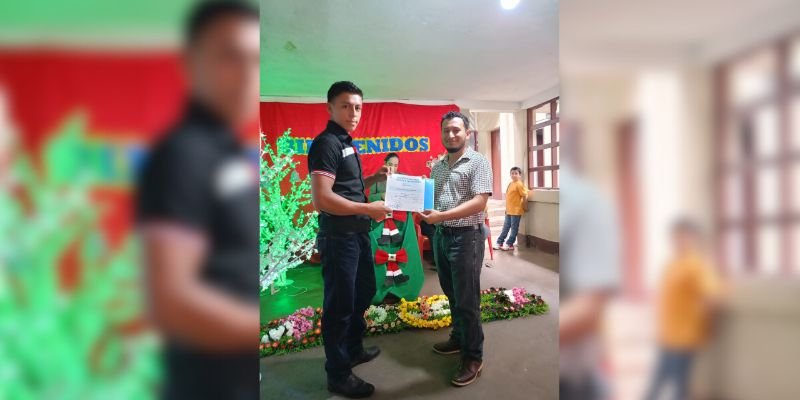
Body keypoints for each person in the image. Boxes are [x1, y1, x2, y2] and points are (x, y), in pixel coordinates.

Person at [136, 2, 260, 399]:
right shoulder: (184, 153)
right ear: (192, 63)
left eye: (254, 60)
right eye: (229, 56)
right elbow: (170, 300)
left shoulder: (225, 150)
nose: (245, 75)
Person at [308, 81, 392, 398]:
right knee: (340, 305)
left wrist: (374, 179)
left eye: (357, 107)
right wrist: (368, 209)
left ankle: (353, 349)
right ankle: (338, 374)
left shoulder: (347, 142)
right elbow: (322, 199)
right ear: (330, 108)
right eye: (345, 106)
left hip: (356, 234)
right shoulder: (326, 143)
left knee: (364, 291)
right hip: (338, 237)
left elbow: (346, 187)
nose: (353, 113)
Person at [419, 111, 492, 387]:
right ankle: (459, 338)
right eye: (446, 130)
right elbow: (433, 200)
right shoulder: (437, 166)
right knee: (451, 293)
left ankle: (473, 357)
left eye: (456, 130)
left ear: (467, 133)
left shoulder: (478, 162)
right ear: (441, 134)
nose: (451, 135)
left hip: (466, 238)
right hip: (442, 237)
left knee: (467, 300)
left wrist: (442, 216)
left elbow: (479, 202)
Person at [644, 219, 722, 400]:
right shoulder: (671, 264)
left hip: (685, 338)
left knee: (677, 385)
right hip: (668, 336)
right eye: (676, 235)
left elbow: (713, 297)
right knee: (658, 383)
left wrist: (709, 326)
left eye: (684, 235)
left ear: (694, 238)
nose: (679, 240)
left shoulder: (697, 265)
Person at [493, 166, 530, 251]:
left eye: (516, 173)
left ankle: (509, 244)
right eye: (512, 173)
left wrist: (525, 207)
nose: (514, 175)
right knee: (505, 227)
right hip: (509, 211)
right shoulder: (510, 184)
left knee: (514, 229)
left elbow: (525, 195)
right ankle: (499, 242)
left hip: (516, 211)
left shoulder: (519, 184)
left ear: (519, 175)